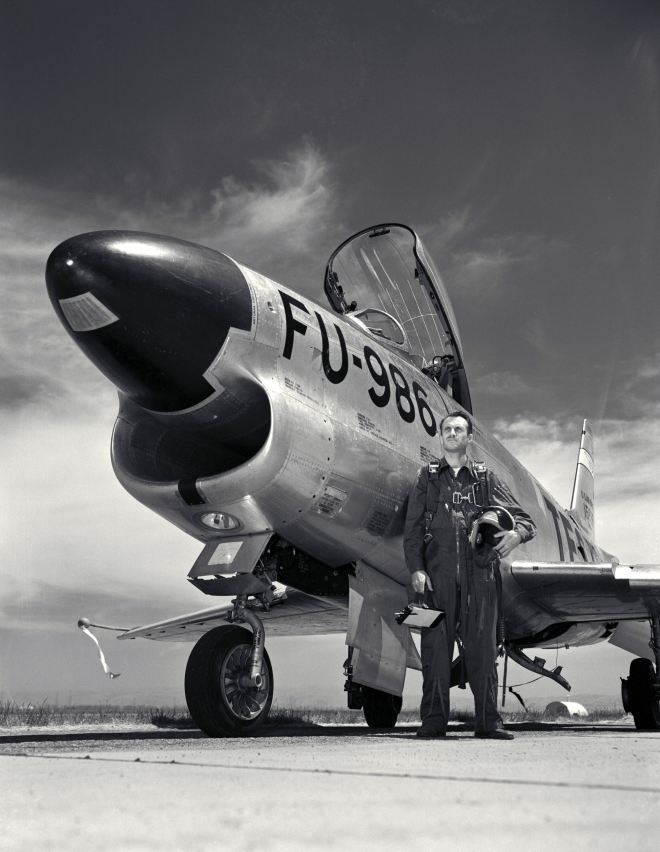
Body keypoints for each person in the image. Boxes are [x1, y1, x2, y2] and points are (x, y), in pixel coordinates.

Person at [403, 410, 536, 740]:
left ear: (469, 438)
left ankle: (489, 722)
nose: (452, 433)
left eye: (458, 429)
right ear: (441, 436)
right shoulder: (426, 478)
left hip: (482, 579)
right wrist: (416, 568)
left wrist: (517, 535)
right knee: (434, 652)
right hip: (436, 582)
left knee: (484, 653)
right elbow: (413, 530)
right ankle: (433, 722)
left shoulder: (485, 478)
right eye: (447, 429)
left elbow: (525, 519)